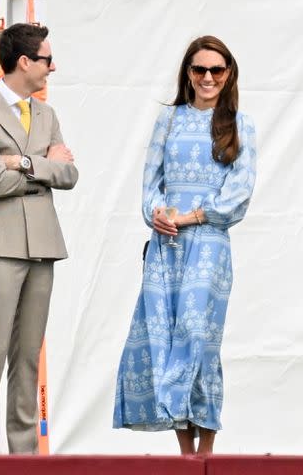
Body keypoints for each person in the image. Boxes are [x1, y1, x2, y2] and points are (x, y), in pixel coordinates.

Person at [113, 35, 256, 454]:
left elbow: (239, 194)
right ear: (188, 74)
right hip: (166, 246)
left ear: (228, 74)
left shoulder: (241, 125)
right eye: (200, 69)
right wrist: (157, 212)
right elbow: (150, 182)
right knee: (166, 338)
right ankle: (185, 454)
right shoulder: (169, 120)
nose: (208, 77)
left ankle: (206, 451)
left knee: (198, 339)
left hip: (209, 246)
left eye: (216, 69)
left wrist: (191, 216)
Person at [0, 23, 78, 454]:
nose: (53, 66)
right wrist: (41, 166)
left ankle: (24, 459)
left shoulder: (47, 114)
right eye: (47, 59)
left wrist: (21, 162)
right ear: (24, 62)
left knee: (27, 359)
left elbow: (70, 174)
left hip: (42, 248)